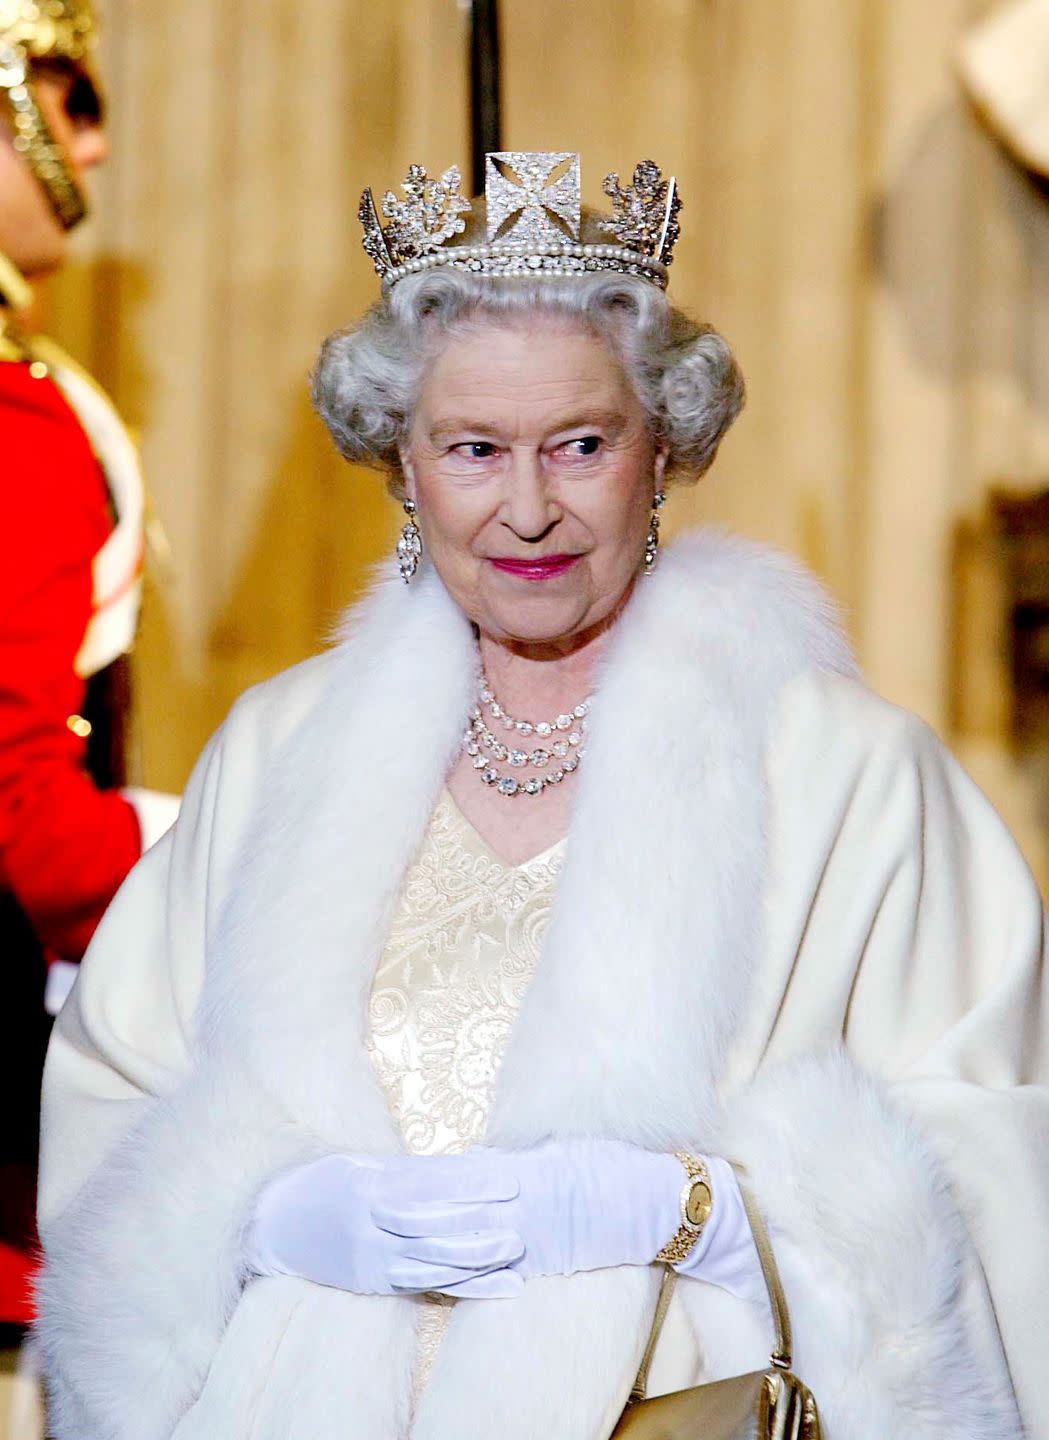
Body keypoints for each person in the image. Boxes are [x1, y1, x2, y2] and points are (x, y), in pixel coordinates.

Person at [34, 152, 1046, 1440]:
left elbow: (1005, 1165)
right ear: (401, 468)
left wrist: (721, 1223)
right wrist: (253, 1214)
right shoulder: (276, 754)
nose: (527, 510)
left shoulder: (850, 777)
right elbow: (119, 1096)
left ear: (662, 450)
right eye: (473, 449)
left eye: (581, 444)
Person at [0, 0, 178, 1367]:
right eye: (69, 98)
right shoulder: (21, 427)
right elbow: (26, 829)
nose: (95, 148)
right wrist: (198, 851)